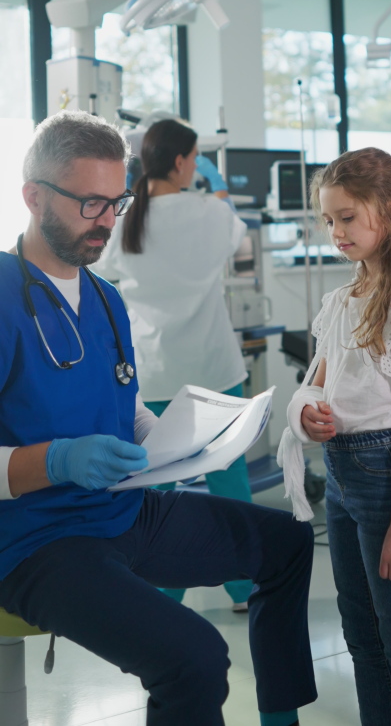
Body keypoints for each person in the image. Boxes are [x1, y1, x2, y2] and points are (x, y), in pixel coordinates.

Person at [0, 109, 317, 726]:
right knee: (195, 657)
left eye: (116, 202)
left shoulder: (106, 298)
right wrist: (57, 459)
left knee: (287, 543)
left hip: (123, 511)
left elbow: (125, 402)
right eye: (90, 204)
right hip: (38, 541)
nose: (108, 222)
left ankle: (282, 718)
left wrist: (177, 440)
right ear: (33, 196)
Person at [278, 147, 391, 726]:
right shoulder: (340, 299)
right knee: (362, 638)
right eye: (328, 220)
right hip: (343, 475)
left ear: (390, 210)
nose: (335, 231)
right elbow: (314, 384)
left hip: (387, 477)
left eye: (347, 217)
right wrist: (306, 415)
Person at [97, 118, 253, 608]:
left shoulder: (124, 220)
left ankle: (167, 591)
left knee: (165, 487)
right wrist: (220, 189)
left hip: (156, 369)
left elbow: (100, 274)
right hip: (215, 368)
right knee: (230, 477)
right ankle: (244, 586)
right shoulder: (211, 212)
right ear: (185, 162)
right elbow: (237, 235)